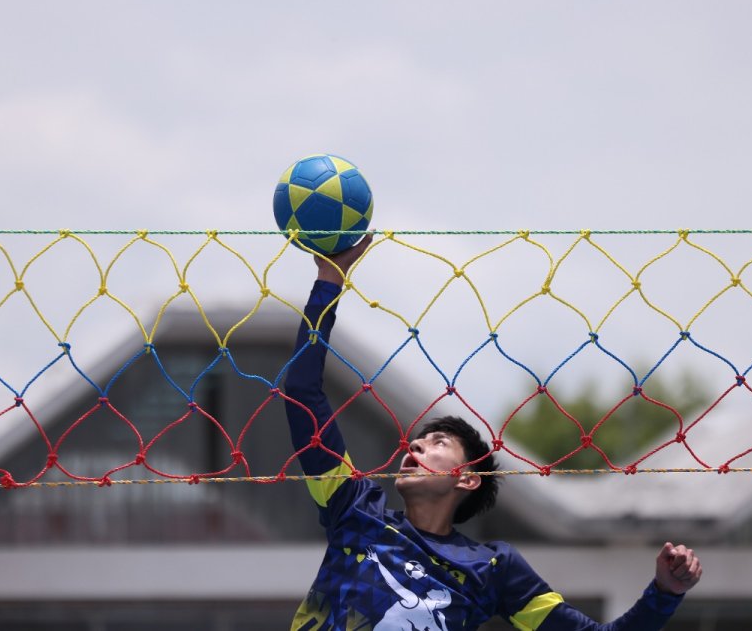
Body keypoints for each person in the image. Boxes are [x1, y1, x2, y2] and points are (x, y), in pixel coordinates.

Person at [284, 235, 702, 630]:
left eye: (438, 443)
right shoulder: (355, 510)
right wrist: (329, 279)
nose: (415, 444)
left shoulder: (494, 568)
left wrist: (665, 592)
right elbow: (303, 392)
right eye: (420, 440)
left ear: (467, 478)